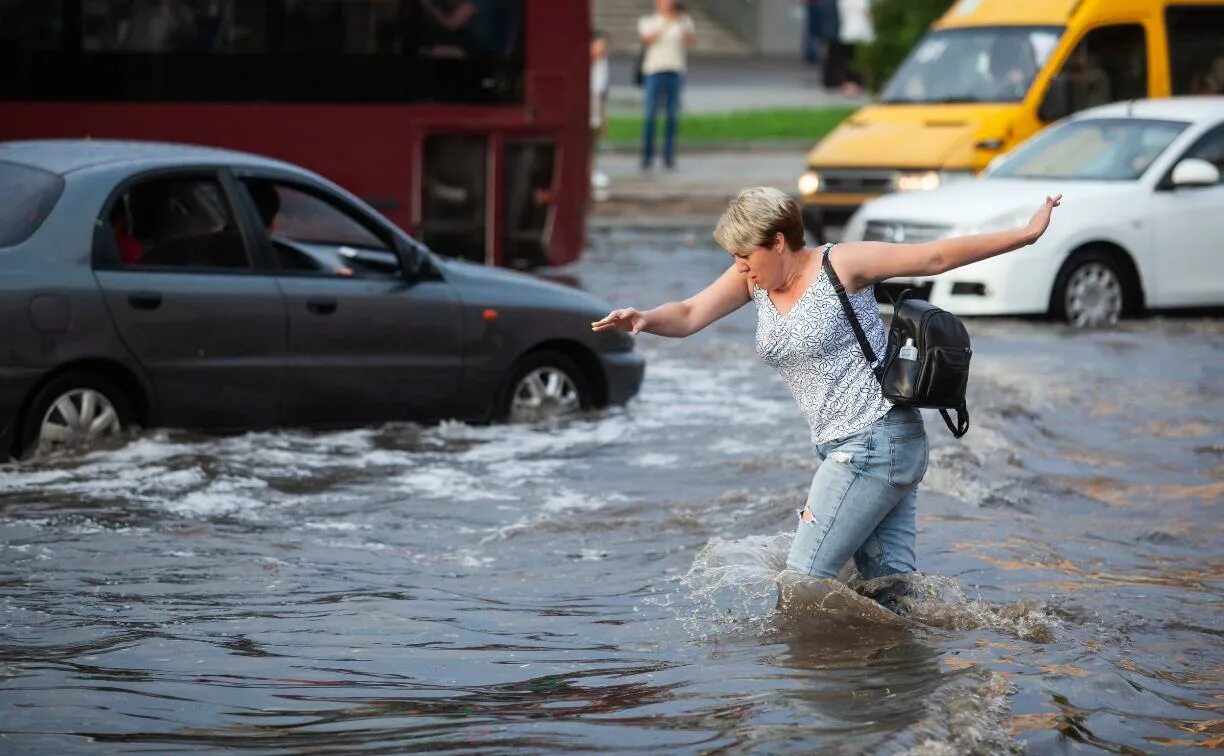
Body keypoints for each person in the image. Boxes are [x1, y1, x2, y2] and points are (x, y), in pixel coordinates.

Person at [592, 187, 1061, 612]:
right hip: (860, 448)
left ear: (778, 241)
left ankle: (804, 696)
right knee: (890, 597)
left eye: (744, 254)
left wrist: (1024, 235)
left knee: (800, 588)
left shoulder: (841, 265)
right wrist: (644, 318)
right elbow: (691, 313)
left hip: (875, 443)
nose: (739, 266)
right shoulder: (755, 280)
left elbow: (934, 257)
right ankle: (907, 692)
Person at [638, 0, 695, 171]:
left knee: (672, 116)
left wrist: (680, 22)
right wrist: (666, 22)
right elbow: (648, 39)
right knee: (650, 115)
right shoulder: (649, 20)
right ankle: (647, 157)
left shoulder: (684, 20)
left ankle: (668, 157)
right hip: (654, 71)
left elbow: (689, 40)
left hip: (675, 71)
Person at [590, 29, 611, 198]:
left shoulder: (603, 63)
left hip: (597, 101)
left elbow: (602, 90)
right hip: (586, 101)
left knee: (594, 138)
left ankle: (593, 170)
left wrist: (604, 116)